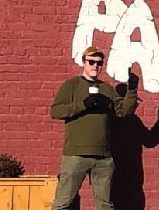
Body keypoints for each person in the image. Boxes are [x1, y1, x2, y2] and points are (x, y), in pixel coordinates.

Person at [50, 45, 139, 210]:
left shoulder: (106, 89)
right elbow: (55, 111)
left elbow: (123, 111)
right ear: (83, 62)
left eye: (99, 63)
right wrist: (83, 104)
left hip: (103, 158)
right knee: (63, 203)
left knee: (104, 205)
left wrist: (132, 90)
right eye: (91, 62)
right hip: (75, 155)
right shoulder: (72, 85)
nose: (95, 66)